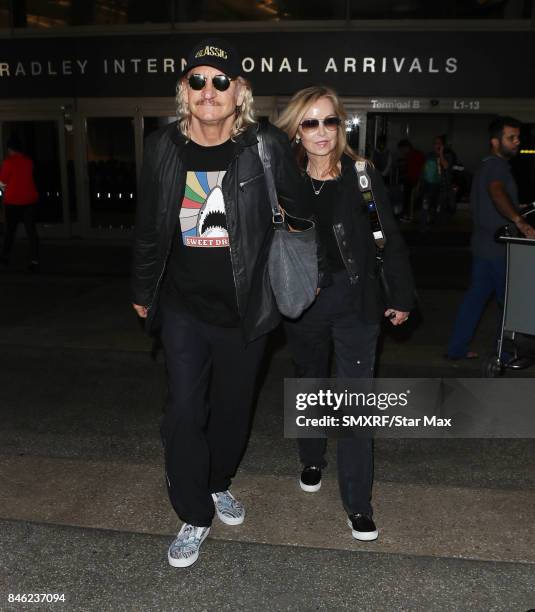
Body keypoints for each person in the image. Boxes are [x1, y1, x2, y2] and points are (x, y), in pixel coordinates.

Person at [131, 38, 306, 568]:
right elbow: (147, 226)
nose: (209, 91)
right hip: (183, 306)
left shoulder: (266, 146)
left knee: (233, 411)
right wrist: (142, 291)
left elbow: (299, 212)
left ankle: (217, 482)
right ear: (185, 90)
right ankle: (194, 514)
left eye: (221, 81)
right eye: (198, 81)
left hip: (247, 308)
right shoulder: (162, 146)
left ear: (240, 93)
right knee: (184, 410)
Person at [276, 86, 414, 541]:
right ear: (297, 128)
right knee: (310, 382)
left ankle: (358, 503)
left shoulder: (362, 176)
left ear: (341, 125)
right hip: (304, 303)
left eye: (329, 121)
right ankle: (311, 456)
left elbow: (384, 237)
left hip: (356, 301)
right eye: (310, 122)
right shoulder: (285, 178)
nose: (320, 131)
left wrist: (401, 293)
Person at [446, 116, 535, 360]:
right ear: (495, 142)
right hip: (499, 248)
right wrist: (520, 221)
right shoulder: (497, 166)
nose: (517, 142)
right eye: (511, 138)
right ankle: (505, 353)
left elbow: (493, 199)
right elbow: (496, 192)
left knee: (475, 299)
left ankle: (456, 349)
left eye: (518, 137)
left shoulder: (485, 165)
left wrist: (518, 206)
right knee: (509, 303)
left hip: (482, 246)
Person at [0, 135, 40, 271]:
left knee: (10, 231)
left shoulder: (8, 163)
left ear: (10, 148)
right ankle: (34, 259)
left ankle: (5, 256)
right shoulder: (29, 162)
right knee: (31, 231)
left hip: (12, 201)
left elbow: (2, 183)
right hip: (29, 200)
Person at [419, 134, 455, 231]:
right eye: (435, 143)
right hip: (429, 186)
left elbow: (447, 166)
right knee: (426, 207)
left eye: (439, 143)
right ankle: (425, 226)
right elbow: (424, 170)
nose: (437, 145)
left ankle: (439, 228)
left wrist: (441, 154)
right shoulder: (429, 155)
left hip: (443, 186)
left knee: (440, 209)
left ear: (443, 145)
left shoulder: (448, 155)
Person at [396, 139, 425, 222]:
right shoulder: (410, 155)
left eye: (402, 149)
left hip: (416, 181)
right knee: (406, 196)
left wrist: (420, 182)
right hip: (411, 180)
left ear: (406, 147)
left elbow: (421, 170)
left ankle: (407, 214)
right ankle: (406, 213)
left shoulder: (416, 155)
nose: (401, 152)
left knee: (409, 197)